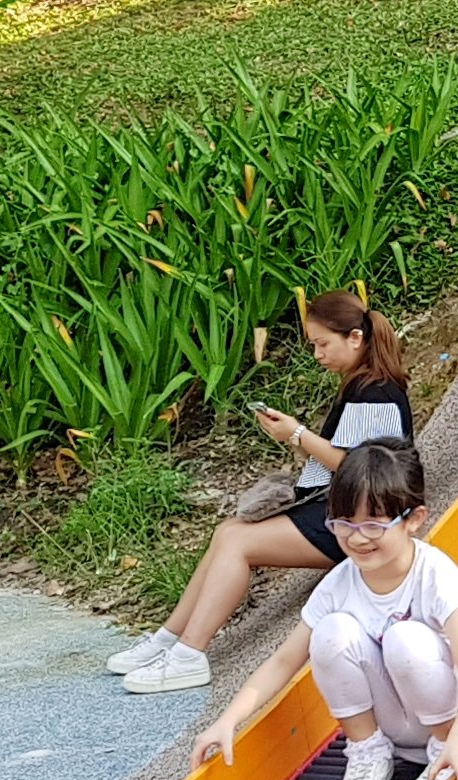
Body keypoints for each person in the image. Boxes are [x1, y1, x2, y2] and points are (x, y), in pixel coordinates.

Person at [109, 289, 413, 694]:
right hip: (341, 509)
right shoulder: (362, 386)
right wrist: (294, 436)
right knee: (228, 532)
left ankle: (189, 655)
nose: (318, 354)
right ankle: (169, 639)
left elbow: (357, 464)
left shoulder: (375, 392)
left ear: (355, 338)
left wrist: (298, 434)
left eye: (323, 344)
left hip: (359, 523)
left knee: (239, 545)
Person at [186, 439, 458, 780]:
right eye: (343, 524)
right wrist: (227, 721)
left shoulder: (434, 575)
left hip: (452, 717)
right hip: (397, 725)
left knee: (407, 639)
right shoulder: (340, 583)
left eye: (373, 525)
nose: (357, 537)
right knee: (330, 632)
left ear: (413, 520)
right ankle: (369, 752)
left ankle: (444, 751)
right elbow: (283, 662)